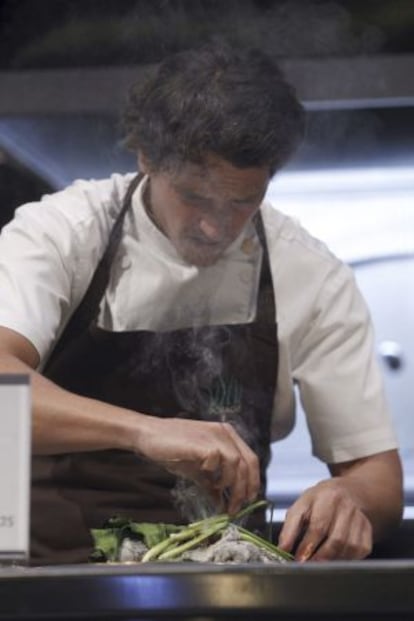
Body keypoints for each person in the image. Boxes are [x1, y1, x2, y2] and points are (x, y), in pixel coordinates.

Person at [0, 42, 403, 566]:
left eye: (242, 202)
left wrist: (353, 500)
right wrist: (144, 431)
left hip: (222, 584)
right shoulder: (63, 232)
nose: (216, 226)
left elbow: (376, 473)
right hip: (44, 578)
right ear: (146, 156)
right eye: (194, 196)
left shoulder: (309, 272)